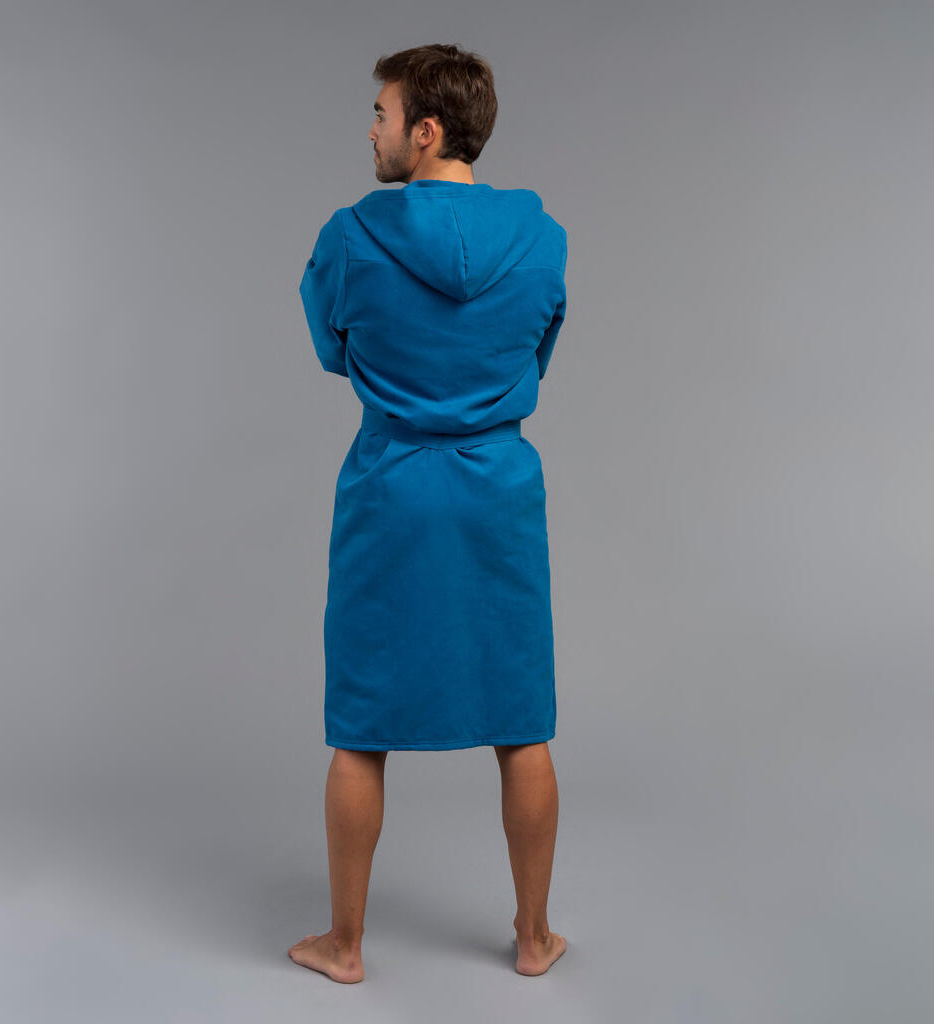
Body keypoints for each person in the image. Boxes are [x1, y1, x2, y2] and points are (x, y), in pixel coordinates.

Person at [289, 43, 568, 983]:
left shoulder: (348, 237)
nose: (370, 130)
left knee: (360, 725)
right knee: (522, 719)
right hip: (499, 491)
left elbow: (332, 346)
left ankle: (345, 946)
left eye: (381, 114)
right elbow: (539, 347)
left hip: (391, 486)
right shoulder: (543, 238)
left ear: (427, 131)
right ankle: (534, 938)